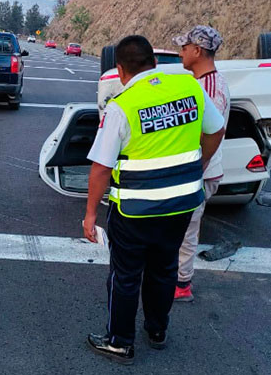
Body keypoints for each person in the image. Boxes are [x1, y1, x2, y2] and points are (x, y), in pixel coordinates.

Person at [82, 35, 226, 365]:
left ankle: (119, 342)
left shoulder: (124, 105)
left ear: (120, 69)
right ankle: (157, 331)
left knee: (126, 275)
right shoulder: (191, 89)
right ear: (155, 62)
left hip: (135, 210)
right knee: (164, 269)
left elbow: (102, 168)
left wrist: (90, 214)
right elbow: (216, 129)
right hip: (181, 204)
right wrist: (200, 164)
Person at [173, 25, 231, 302]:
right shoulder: (203, 81)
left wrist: (197, 167)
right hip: (196, 169)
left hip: (198, 171)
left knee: (187, 229)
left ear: (197, 50)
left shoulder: (207, 87)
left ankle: (182, 284)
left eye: (184, 48)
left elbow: (210, 133)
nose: (180, 52)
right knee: (181, 227)